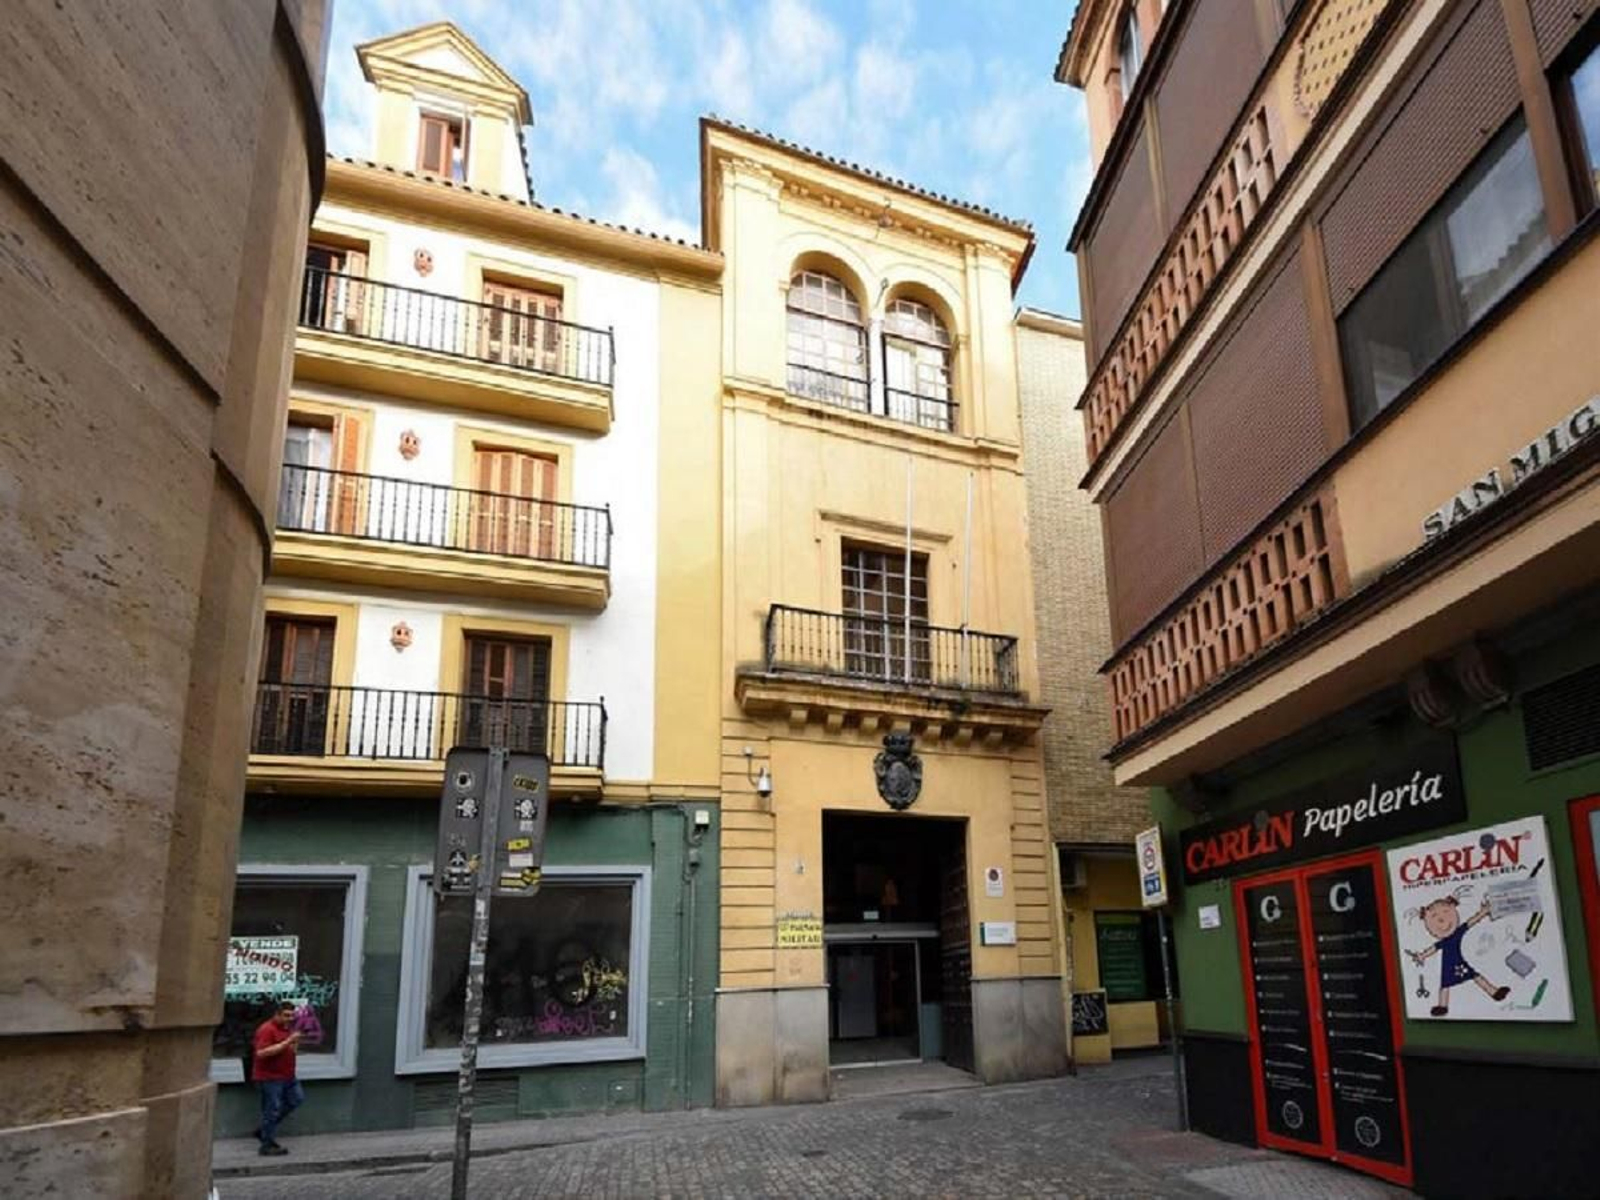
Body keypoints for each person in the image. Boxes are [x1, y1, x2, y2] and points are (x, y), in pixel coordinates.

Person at [252, 1001, 303, 1156]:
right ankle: (267, 1145)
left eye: (292, 1016)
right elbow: (261, 1053)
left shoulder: (288, 1029)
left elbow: (290, 1050)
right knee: (271, 1109)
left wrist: (294, 1044)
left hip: (287, 1075)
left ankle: (264, 1130)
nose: (289, 1019)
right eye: (286, 1015)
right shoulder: (267, 1030)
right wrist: (287, 1042)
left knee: (296, 1099)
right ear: (277, 1014)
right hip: (270, 1077)